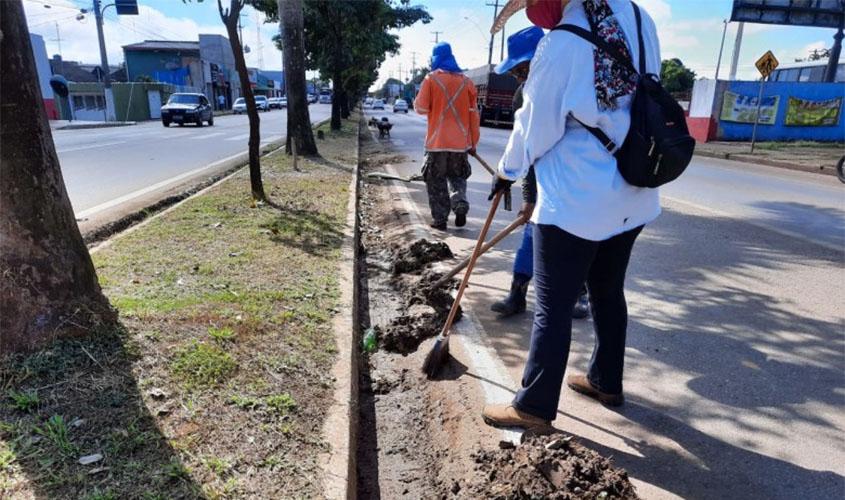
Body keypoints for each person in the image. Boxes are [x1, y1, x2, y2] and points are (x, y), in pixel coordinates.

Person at [482, 0, 662, 430]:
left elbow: (535, 127)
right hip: (634, 188)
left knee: (553, 305)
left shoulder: (560, 43)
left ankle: (535, 406)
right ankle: (606, 380)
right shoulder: (641, 19)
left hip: (577, 197)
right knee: (607, 290)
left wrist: (507, 172)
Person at [489, 25, 591, 320]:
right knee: (530, 240)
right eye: (516, 73)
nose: (519, 77)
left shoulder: (577, 81)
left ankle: (580, 296)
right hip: (547, 180)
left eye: (522, 69)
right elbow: (529, 150)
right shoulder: (523, 95)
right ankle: (517, 294)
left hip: (581, 180)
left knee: (580, 242)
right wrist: (529, 195)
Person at [414, 42, 480, 231]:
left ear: (435, 59)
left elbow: (421, 108)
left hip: (437, 144)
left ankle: (440, 220)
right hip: (460, 145)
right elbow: (473, 115)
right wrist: (473, 143)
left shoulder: (431, 79)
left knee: (436, 182)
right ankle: (459, 202)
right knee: (458, 178)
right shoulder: (467, 82)